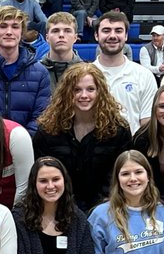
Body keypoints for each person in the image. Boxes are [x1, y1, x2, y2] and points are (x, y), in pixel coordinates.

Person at [33, 62, 133, 212]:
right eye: (77, 90)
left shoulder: (118, 130)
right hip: (59, 206)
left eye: (90, 89)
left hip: (106, 208)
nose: (84, 95)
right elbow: (41, 173)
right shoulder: (48, 130)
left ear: (100, 92)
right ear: (67, 92)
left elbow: (121, 172)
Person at [93, 12, 155, 133]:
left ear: (126, 36)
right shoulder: (84, 76)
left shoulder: (144, 75)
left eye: (118, 31)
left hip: (132, 144)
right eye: (106, 30)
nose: (112, 36)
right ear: (96, 35)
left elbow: (147, 124)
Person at [40, 12, 82, 92]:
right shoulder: (34, 71)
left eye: (67, 31)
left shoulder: (87, 72)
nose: (61, 35)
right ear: (47, 38)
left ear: (75, 37)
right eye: (55, 31)